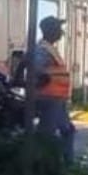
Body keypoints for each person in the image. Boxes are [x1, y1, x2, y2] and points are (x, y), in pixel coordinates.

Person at [31, 16, 75, 163]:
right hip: (49, 98)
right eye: (58, 28)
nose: (61, 32)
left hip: (57, 99)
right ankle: (45, 165)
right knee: (46, 135)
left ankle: (67, 165)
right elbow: (36, 67)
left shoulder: (49, 48)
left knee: (68, 130)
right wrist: (42, 77)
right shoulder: (43, 49)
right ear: (49, 30)